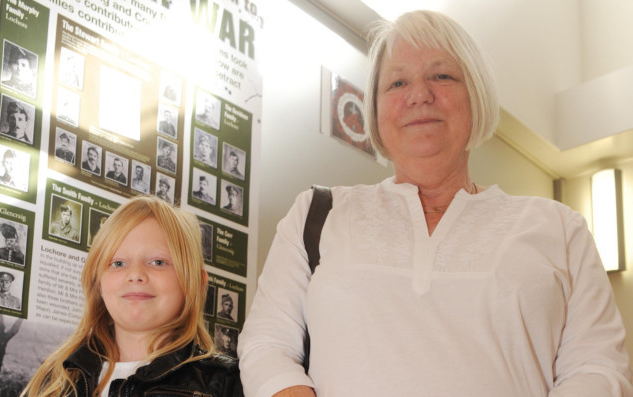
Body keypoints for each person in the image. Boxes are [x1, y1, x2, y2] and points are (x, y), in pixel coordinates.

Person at [238, 11, 633, 397]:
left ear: (476, 95)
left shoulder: (561, 228)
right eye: (396, 83)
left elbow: (598, 368)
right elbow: (266, 346)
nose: (419, 95)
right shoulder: (317, 213)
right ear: (374, 108)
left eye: (441, 76)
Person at [21, 196, 244, 397]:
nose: (135, 274)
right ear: (98, 282)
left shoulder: (228, 383)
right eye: (118, 263)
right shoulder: (56, 379)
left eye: (158, 262)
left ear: (195, 282)